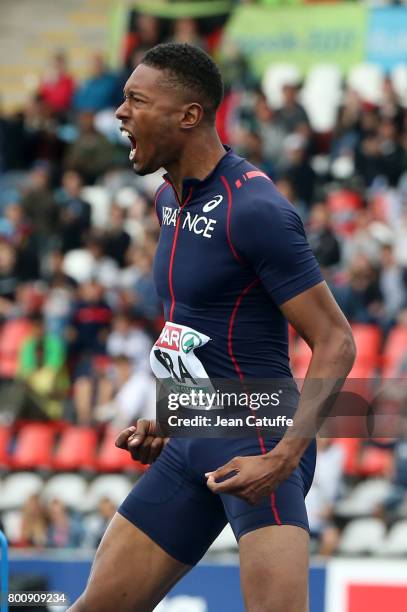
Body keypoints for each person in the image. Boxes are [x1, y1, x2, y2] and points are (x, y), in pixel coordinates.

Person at [68, 43, 355, 612]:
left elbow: (336, 342)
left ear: (189, 115)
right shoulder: (167, 202)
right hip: (194, 440)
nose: (120, 114)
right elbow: (203, 334)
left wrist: (284, 459)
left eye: (135, 100)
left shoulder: (255, 209)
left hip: (260, 443)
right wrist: (170, 421)